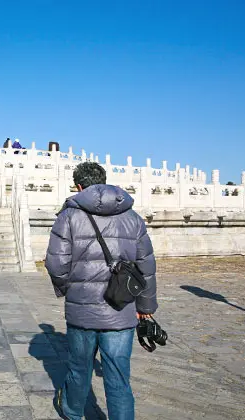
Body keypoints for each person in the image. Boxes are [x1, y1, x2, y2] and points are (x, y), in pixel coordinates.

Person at [45, 162, 157, 420]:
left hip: (82, 311)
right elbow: (147, 266)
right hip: (121, 310)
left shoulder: (69, 216)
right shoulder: (132, 218)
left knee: (78, 369)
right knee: (118, 376)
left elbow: (56, 264)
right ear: (104, 181)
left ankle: (72, 413)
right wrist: (146, 308)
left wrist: (68, 290)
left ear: (79, 186)